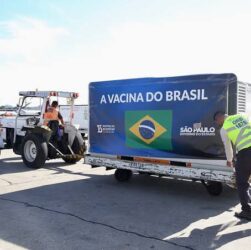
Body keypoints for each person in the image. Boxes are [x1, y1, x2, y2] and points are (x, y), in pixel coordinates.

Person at [214, 111, 251, 220]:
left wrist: (229, 160)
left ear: (219, 118)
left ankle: (247, 211)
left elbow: (228, 147)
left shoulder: (224, 128)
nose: (217, 123)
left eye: (216, 121)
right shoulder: (242, 115)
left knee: (242, 182)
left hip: (246, 153)